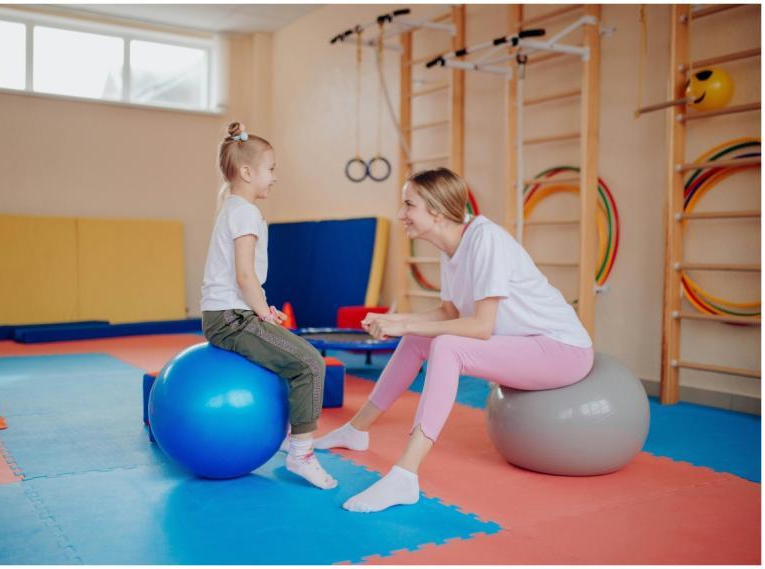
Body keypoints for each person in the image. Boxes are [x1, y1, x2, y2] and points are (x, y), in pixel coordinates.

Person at [315, 167, 594, 511]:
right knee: (421, 338)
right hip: (527, 344)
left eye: (408, 205)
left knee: (447, 346)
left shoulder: (485, 240)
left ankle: (405, 476)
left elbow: (480, 327)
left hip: (561, 350)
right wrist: (398, 321)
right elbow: (449, 313)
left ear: (434, 209)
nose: (401, 215)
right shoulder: (451, 249)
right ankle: (356, 430)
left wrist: (403, 325)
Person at [200, 122, 337, 490]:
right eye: (271, 168)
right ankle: (301, 453)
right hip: (231, 319)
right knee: (310, 363)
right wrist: (261, 312)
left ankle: (286, 439)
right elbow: (245, 276)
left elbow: (243, 280)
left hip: (228, 314)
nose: (275, 177)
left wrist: (263, 309)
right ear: (247, 172)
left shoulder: (233, 207)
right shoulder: (245, 212)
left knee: (287, 357)